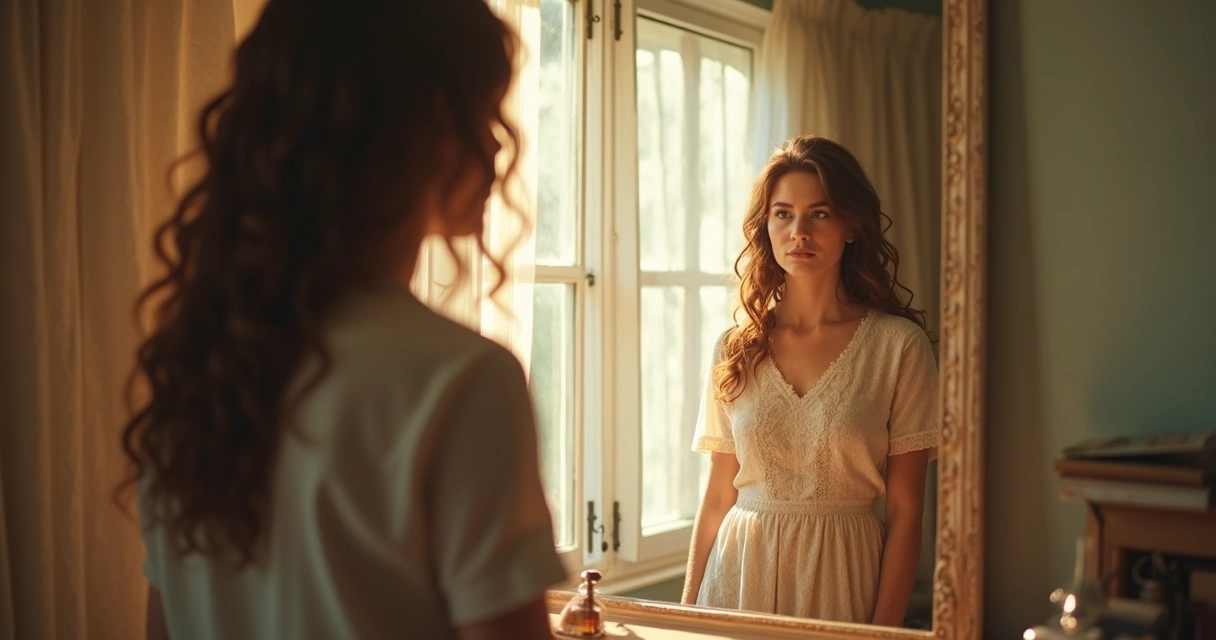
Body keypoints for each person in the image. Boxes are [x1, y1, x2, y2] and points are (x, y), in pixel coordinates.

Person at [117, 2, 566, 639]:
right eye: (488, 110)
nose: (497, 141)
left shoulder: (200, 367)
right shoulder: (461, 380)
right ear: (438, 119)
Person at [681, 135, 939, 626]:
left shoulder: (899, 347)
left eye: (819, 213)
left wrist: (881, 633)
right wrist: (686, 615)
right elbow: (718, 495)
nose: (799, 231)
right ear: (767, 226)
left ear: (851, 226)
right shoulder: (735, 348)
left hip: (844, 576)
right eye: (783, 214)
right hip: (738, 577)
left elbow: (906, 513)